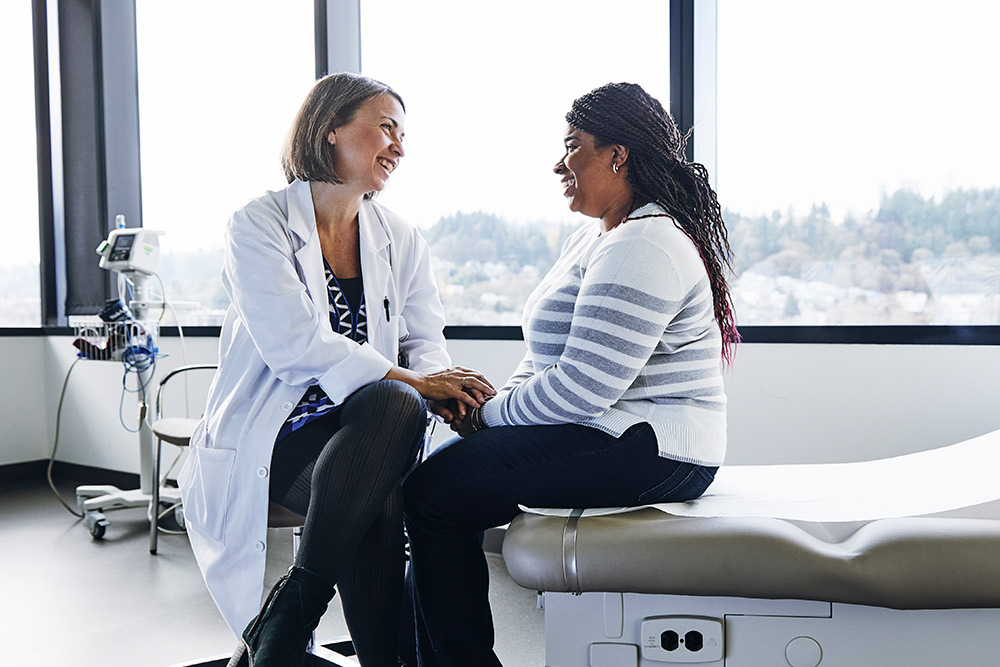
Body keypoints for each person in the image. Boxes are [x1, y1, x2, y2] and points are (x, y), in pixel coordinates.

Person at [401, 81, 739, 665]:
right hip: (613, 431)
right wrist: (490, 406)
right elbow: (545, 361)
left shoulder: (646, 243)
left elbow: (583, 388)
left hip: (655, 448)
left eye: (572, 146)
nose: (559, 164)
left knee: (435, 494)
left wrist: (487, 416)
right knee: (436, 483)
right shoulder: (594, 238)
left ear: (617, 155)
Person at [177, 72, 493, 667]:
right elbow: (293, 343)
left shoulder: (401, 237)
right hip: (277, 432)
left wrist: (438, 385)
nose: (398, 146)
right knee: (377, 492)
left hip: (371, 428)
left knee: (391, 409)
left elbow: (425, 340)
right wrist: (416, 382)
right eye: (386, 127)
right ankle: (378, 657)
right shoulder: (258, 224)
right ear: (330, 130)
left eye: (403, 134)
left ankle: (292, 612)